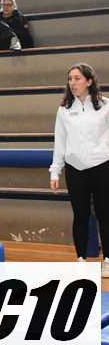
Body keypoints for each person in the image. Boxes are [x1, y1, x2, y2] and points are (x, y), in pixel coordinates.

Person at [50, 63, 109, 275]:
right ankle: (81, 258)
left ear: (89, 81)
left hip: (102, 167)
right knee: (80, 215)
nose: (72, 83)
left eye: (77, 78)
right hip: (75, 169)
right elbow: (60, 142)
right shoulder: (64, 110)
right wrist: (55, 170)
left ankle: (108, 259)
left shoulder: (106, 106)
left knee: (105, 213)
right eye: (70, 79)